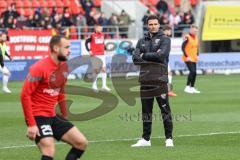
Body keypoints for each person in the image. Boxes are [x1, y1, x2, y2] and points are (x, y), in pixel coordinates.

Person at [20, 35, 88, 160]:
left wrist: (64, 114)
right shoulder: (38, 68)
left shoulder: (64, 67)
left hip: (53, 115)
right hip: (38, 116)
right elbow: (25, 95)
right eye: (66, 47)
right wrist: (31, 124)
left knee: (81, 142)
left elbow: (61, 91)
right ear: (56, 48)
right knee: (49, 149)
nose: (70, 50)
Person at [132, 15, 174, 147]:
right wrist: (151, 56)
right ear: (147, 25)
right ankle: (146, 139)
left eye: (155, 24)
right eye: (150, 24)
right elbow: (135, 58)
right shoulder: (141, 41)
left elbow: (162, 56)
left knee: (165, 110)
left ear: (159, 24)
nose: (153, 26)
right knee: (146, 111)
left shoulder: (165, 39)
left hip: (159, 80)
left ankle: (169, 138)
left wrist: (144, 55)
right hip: (145, 80)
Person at [85, 24, 111, 92]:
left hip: (102, 54)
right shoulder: (92, 35)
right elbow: (86, 42)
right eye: (99, 28)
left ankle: (104, 86)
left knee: (104, 69)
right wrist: (89, 50)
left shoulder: (102, 35)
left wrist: (105, 49)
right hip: (95, 54)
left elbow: (102, 43)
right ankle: (94, 86)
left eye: (101, 28)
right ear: (96, 29)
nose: (101, 29)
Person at [182, 24, 200, 94]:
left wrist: (197, 55)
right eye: (194, 30)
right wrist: (187, 56)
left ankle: (192, 87)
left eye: (196, 30)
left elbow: (197, 47)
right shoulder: (187, 37)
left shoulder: (196, 37)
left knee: (194, 73)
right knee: (192, 71)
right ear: (191, 30)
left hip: (194, 58)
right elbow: (183, 47)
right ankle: (187, 87)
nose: (195, 31)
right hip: (188, 58)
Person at [162, 25, 177, 97]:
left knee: (167, 74)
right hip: (162, 59)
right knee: (168, 74)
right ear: (166, 31)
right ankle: (168, 91)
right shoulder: (164, 38)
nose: (171, 32)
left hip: (164, 59)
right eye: (170, 30)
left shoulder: (165, 38)